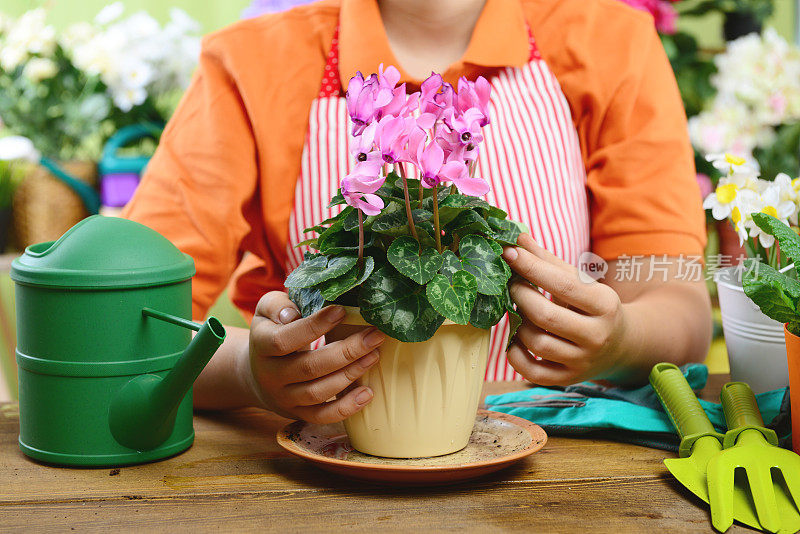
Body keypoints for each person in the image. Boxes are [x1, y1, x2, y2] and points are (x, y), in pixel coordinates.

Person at [122, 0, 712, 423]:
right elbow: (131, 324)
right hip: (332, 467)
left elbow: (679, 310)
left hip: (566, 471)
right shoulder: (253, 66)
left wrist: (622, 338)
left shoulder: (610, 42)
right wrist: (248, 375)